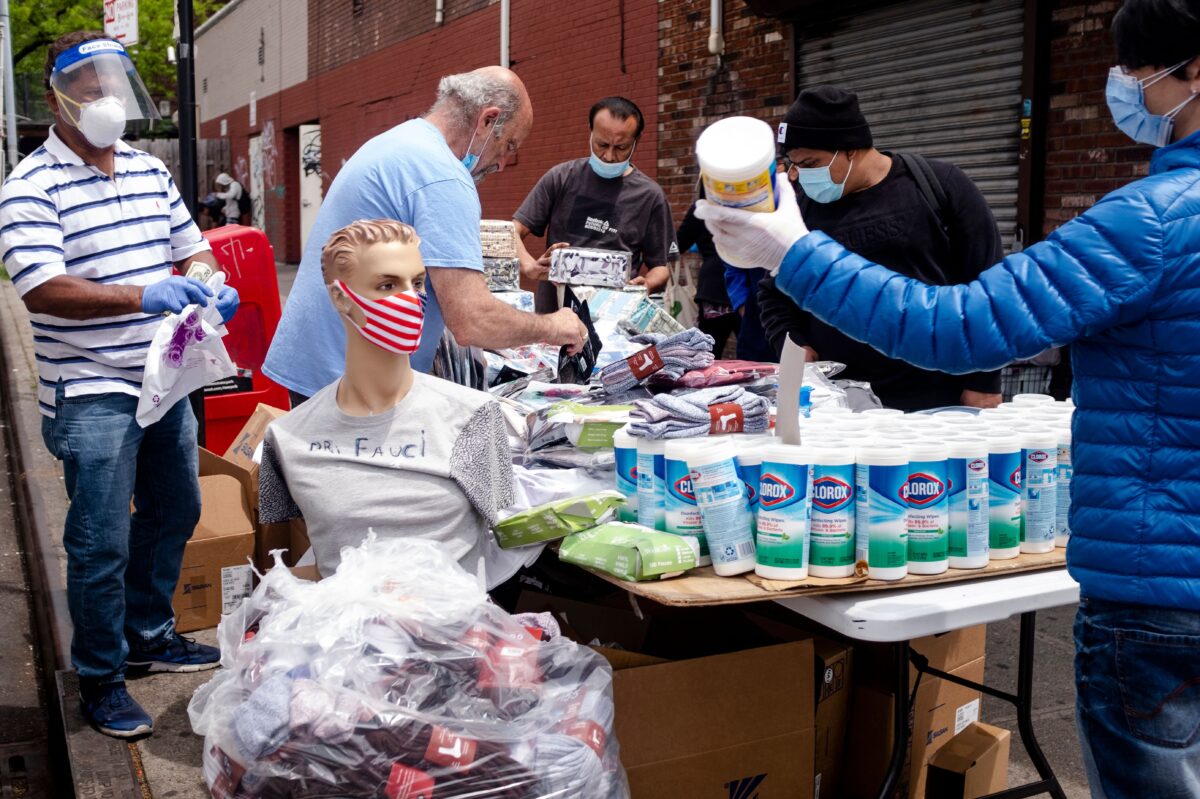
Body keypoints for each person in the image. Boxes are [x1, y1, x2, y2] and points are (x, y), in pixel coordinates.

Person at [696, 0, 1200, 794]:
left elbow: (959, 325)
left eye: (1136, 73)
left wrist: (789, 250)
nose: (1129, 92)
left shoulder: (1156, 222)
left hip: (1160, 594)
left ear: (1191, 69)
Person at [0, 32, 241, 738]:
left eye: (114, 83)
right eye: (88, 85)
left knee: (176, 506)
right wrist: (144, 296)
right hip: (90, 387)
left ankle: (148, 632)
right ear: (56, 98)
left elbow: (189, 244)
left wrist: (205, 284)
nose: (105, 98)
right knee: (99, 538)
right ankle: (101, 675)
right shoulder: (28, 188)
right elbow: (42, 289)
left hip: (160, 377)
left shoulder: (146, 168)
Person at [263, 67, 588, 405]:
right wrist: (553, 326)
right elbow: (471, 319)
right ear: (487, 121)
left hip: (325, 363)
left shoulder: (403, 140)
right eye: (508, 145)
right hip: (350, 381)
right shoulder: (443, 177)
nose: (503, 163)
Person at [259, 220, 514, 582]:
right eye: (388, 285)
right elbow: (297, 545)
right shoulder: (288, 438)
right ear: (341, 297)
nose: (412, 298)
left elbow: (508, 532)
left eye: (419, 282)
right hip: (344, 631)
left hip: (454, 630)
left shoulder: (473, 416)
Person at [757, 86, 1004, 410]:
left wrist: (983, 382)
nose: (797, 174)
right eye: (793, 163)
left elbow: (990, 286)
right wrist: (793, 342)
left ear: (849, 150)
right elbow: (773, 290)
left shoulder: (939, 186)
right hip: (839, 404)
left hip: (936, 398)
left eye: (810, 163)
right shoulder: (803, 208)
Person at [513, 96, 679, 312]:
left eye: (621, 147)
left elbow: (661, 266)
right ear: (590, 131)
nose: (609, 156)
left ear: (636, 141)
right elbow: (513, 231)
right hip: (553, 317)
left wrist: (647, 284)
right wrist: (528, 266)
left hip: (613, 318)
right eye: (602, 144)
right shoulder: (562, 178)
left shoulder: (650, 196)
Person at [675, 194, 739, 357]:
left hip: (715, 288)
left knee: (707, 355)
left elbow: (678, 245)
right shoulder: (755, 204)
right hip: (748, 287)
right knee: (756, 357)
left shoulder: (703, 207)